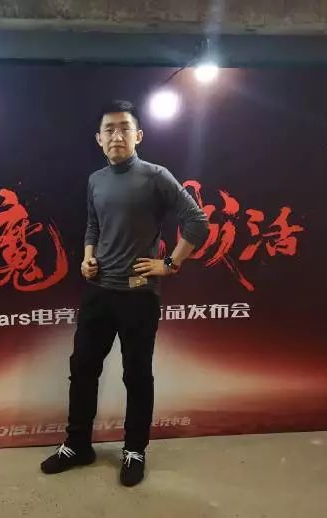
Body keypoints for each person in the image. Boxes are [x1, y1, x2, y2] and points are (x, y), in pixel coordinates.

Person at [40, 99, 209, 486]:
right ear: (99, 139)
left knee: (137, 374)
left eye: (124, 128)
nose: (117, 135)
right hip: (98, 291)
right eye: (109, 129)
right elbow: (93, 226)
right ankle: (78, 444)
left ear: (138, 135)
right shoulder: (95, 180)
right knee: (82, 368)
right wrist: (87, 258)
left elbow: (197, 222)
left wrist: (170, 264)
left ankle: (134, 449)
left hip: (139, 295)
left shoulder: (156, 176)